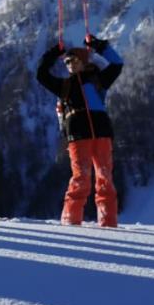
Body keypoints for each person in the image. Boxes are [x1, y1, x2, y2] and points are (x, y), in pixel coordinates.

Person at [36, 36, 125, 227]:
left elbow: (118, 63)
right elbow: (41, 74)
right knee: (81, 178)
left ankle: (109, 222)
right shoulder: (64, 86)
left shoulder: (98, 80)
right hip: (79, 136)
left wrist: (99, 46)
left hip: (100, 134)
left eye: (73, 60)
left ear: (84, 61)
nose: (69, 64)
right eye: (67, 62)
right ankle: (71, 222)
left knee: (105, 178)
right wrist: (53, 53)